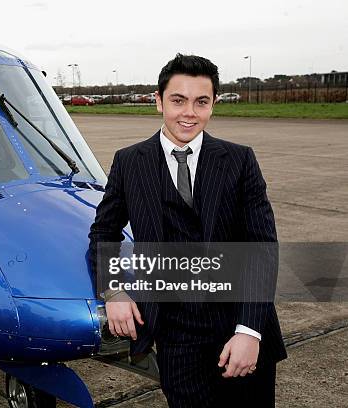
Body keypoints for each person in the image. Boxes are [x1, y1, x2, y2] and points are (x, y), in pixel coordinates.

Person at [88, 54, 287, 407]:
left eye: (201, 102)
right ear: (158, 101)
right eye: (178, 100)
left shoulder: (240, 161)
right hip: (176, 337)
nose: (189, 113)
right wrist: (113, 291)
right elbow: (104, 232)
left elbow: (262, 248)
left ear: (213, 105)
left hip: (238, 326)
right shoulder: (129, 162)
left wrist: (249, 331)